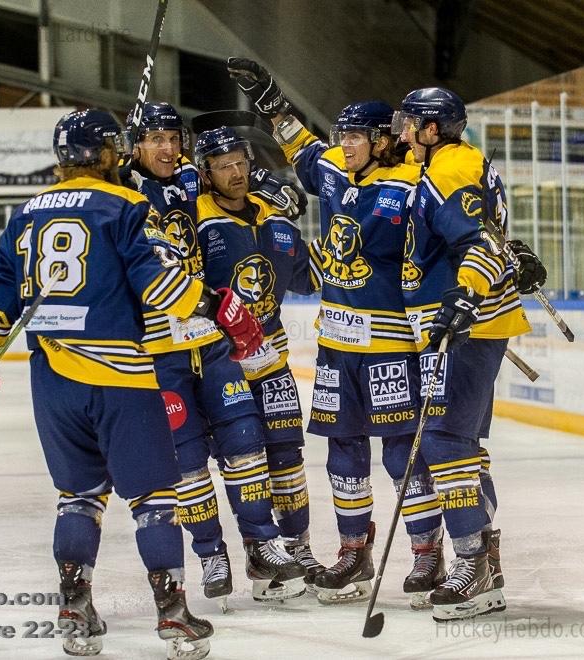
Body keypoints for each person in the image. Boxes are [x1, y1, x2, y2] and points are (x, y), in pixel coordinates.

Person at [0, 109, 263, 659]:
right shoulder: (123, 204)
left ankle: (74, 608)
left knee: (76, 497)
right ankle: (172, 617)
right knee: (154, 499)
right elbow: (159, 286)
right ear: (106, 154)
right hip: (120, 375)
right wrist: (217, 304)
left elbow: (0, 290)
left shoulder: (25, 212)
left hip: (51, 379)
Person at [228, 58, 446, 608]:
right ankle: (355, 551)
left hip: (391, 347)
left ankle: (427, 551)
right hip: (337, 347)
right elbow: (298, 142)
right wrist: (268, 97)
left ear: (381, 139)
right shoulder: (331, 169)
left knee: (401, 454)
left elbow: (454, 232)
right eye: (342, 135)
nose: (344, 144)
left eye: (354, 136)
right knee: (342, 453)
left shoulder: (413, 183)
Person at [120, 102, 307, 607]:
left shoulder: (189, 178)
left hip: (211, 337)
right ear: (134, 145)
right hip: (159, 349)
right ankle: (210, 552)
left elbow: (230, 165)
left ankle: (263, 544)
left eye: (171, 138)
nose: (166, 147)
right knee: (187, 462)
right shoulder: (116, 191)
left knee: (246, 444)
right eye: (153, 139)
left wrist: (271, 182)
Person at [393, 87, 539, 622]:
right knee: (462, 441)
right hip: (470, 322)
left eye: (411, 124)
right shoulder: (456, 162)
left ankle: (472, 561)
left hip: (468, 326)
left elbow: (479, 243)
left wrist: (463, 299)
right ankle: (485, 559)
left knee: (445, 437)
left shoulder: (449, 168)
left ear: (433, 130)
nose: (402, 132)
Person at [191, 125, 325, 591]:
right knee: (241, 460)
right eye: (223, 165)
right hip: (219, 362)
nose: (235, 173)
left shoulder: (276, 218)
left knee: (287, 458)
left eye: (241, 162)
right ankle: (256, 551)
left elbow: (312, 278)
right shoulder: (195, 219)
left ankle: (298, 547)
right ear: (205, 173)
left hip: (272, 361)